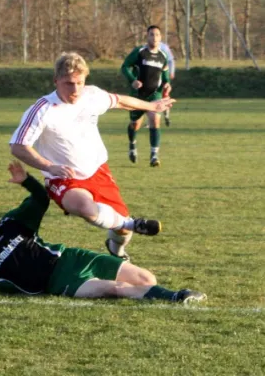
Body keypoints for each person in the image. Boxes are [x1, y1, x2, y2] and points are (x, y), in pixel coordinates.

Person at [0, 161, 206, 305]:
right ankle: (179, 297)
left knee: (146, 278)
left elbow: (42, 198)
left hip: (72, 257)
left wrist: (27, 180)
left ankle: (141, 274)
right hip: (61, 282)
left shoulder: (15, 222)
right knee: (117, 288)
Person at [9, 52, 174, 262]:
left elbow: (120, 101)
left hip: (98, 171)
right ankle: (133, 223)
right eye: (69, 83)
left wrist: (151, 106)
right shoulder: (42, 110)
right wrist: (49, 167)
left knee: (121, 231)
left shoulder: (91, 95)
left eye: (79, 82)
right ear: (56, 80)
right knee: (85, 208)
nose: (75, 89)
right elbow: (18, 146)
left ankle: (118, 250)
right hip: (63, 177)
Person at [121, 25, 172, 166]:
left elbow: (165, 76)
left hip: (155, 94)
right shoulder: (139, 52)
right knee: (135, 124)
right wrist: (133, 80)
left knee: (155, 121)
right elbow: (124, 67)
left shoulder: (163, 56)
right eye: (151, 35)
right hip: (137, 96)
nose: (154, 37)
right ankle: (132, 145)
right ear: (147, 36)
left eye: (157, 35)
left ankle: (154, 155)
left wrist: (167, 84)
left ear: (160, 38)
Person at [159, 41, 175, 127]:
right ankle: (150, 121)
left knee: (165, 96)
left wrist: (171, 72)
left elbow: (170, 60)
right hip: (151, 77)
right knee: (151, 98)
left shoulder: (163, 47)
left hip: (163, 76)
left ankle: (166, 116)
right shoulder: (145, 47)